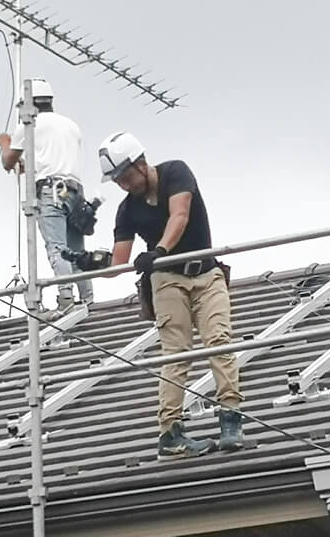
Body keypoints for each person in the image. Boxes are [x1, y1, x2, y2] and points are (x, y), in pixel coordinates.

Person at [99, 131, 244, 460]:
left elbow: (180, 214)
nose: (123, 185)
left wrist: (160, 250)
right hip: (166, 281)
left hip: (205, 274)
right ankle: (170, 433)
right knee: (174, 354)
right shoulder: (127, 210)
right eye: (117, 180)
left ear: (141, 163)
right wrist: (90, 262)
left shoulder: (175, 172)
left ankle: (231, 418)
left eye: (125, 176)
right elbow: (117, 262)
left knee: (220, 341)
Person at [0, 78, 93, 317]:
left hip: (50, 191)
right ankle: (87, 298)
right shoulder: (71, 125)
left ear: (27, 105)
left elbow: (8, 162)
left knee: (57, 248)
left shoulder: (29, 126)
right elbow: (51, 159)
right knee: (76, 250)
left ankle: (66, 298)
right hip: (75, 192)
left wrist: (5, 143)